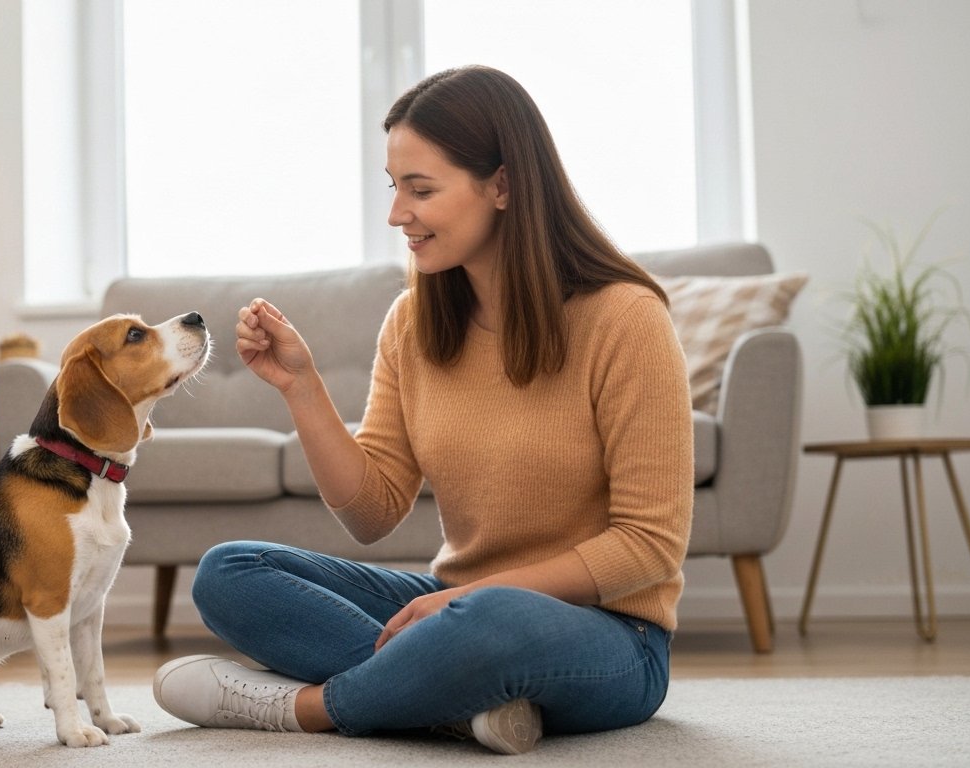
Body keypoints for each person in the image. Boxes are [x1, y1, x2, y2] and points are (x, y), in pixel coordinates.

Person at [151, 65, 693, 756]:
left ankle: (306, 709)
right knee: (230, 571)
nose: (396, 213)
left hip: (612, 636)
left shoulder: (626, 319)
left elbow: (649, 545)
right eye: (394, 186)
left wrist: (463, 609)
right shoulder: (413, 322)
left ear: (502, 185)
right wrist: (301, 388)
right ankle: (458, 703)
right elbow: (372, 513)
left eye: (421, 189)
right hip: (452, 606)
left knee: (489, 621)